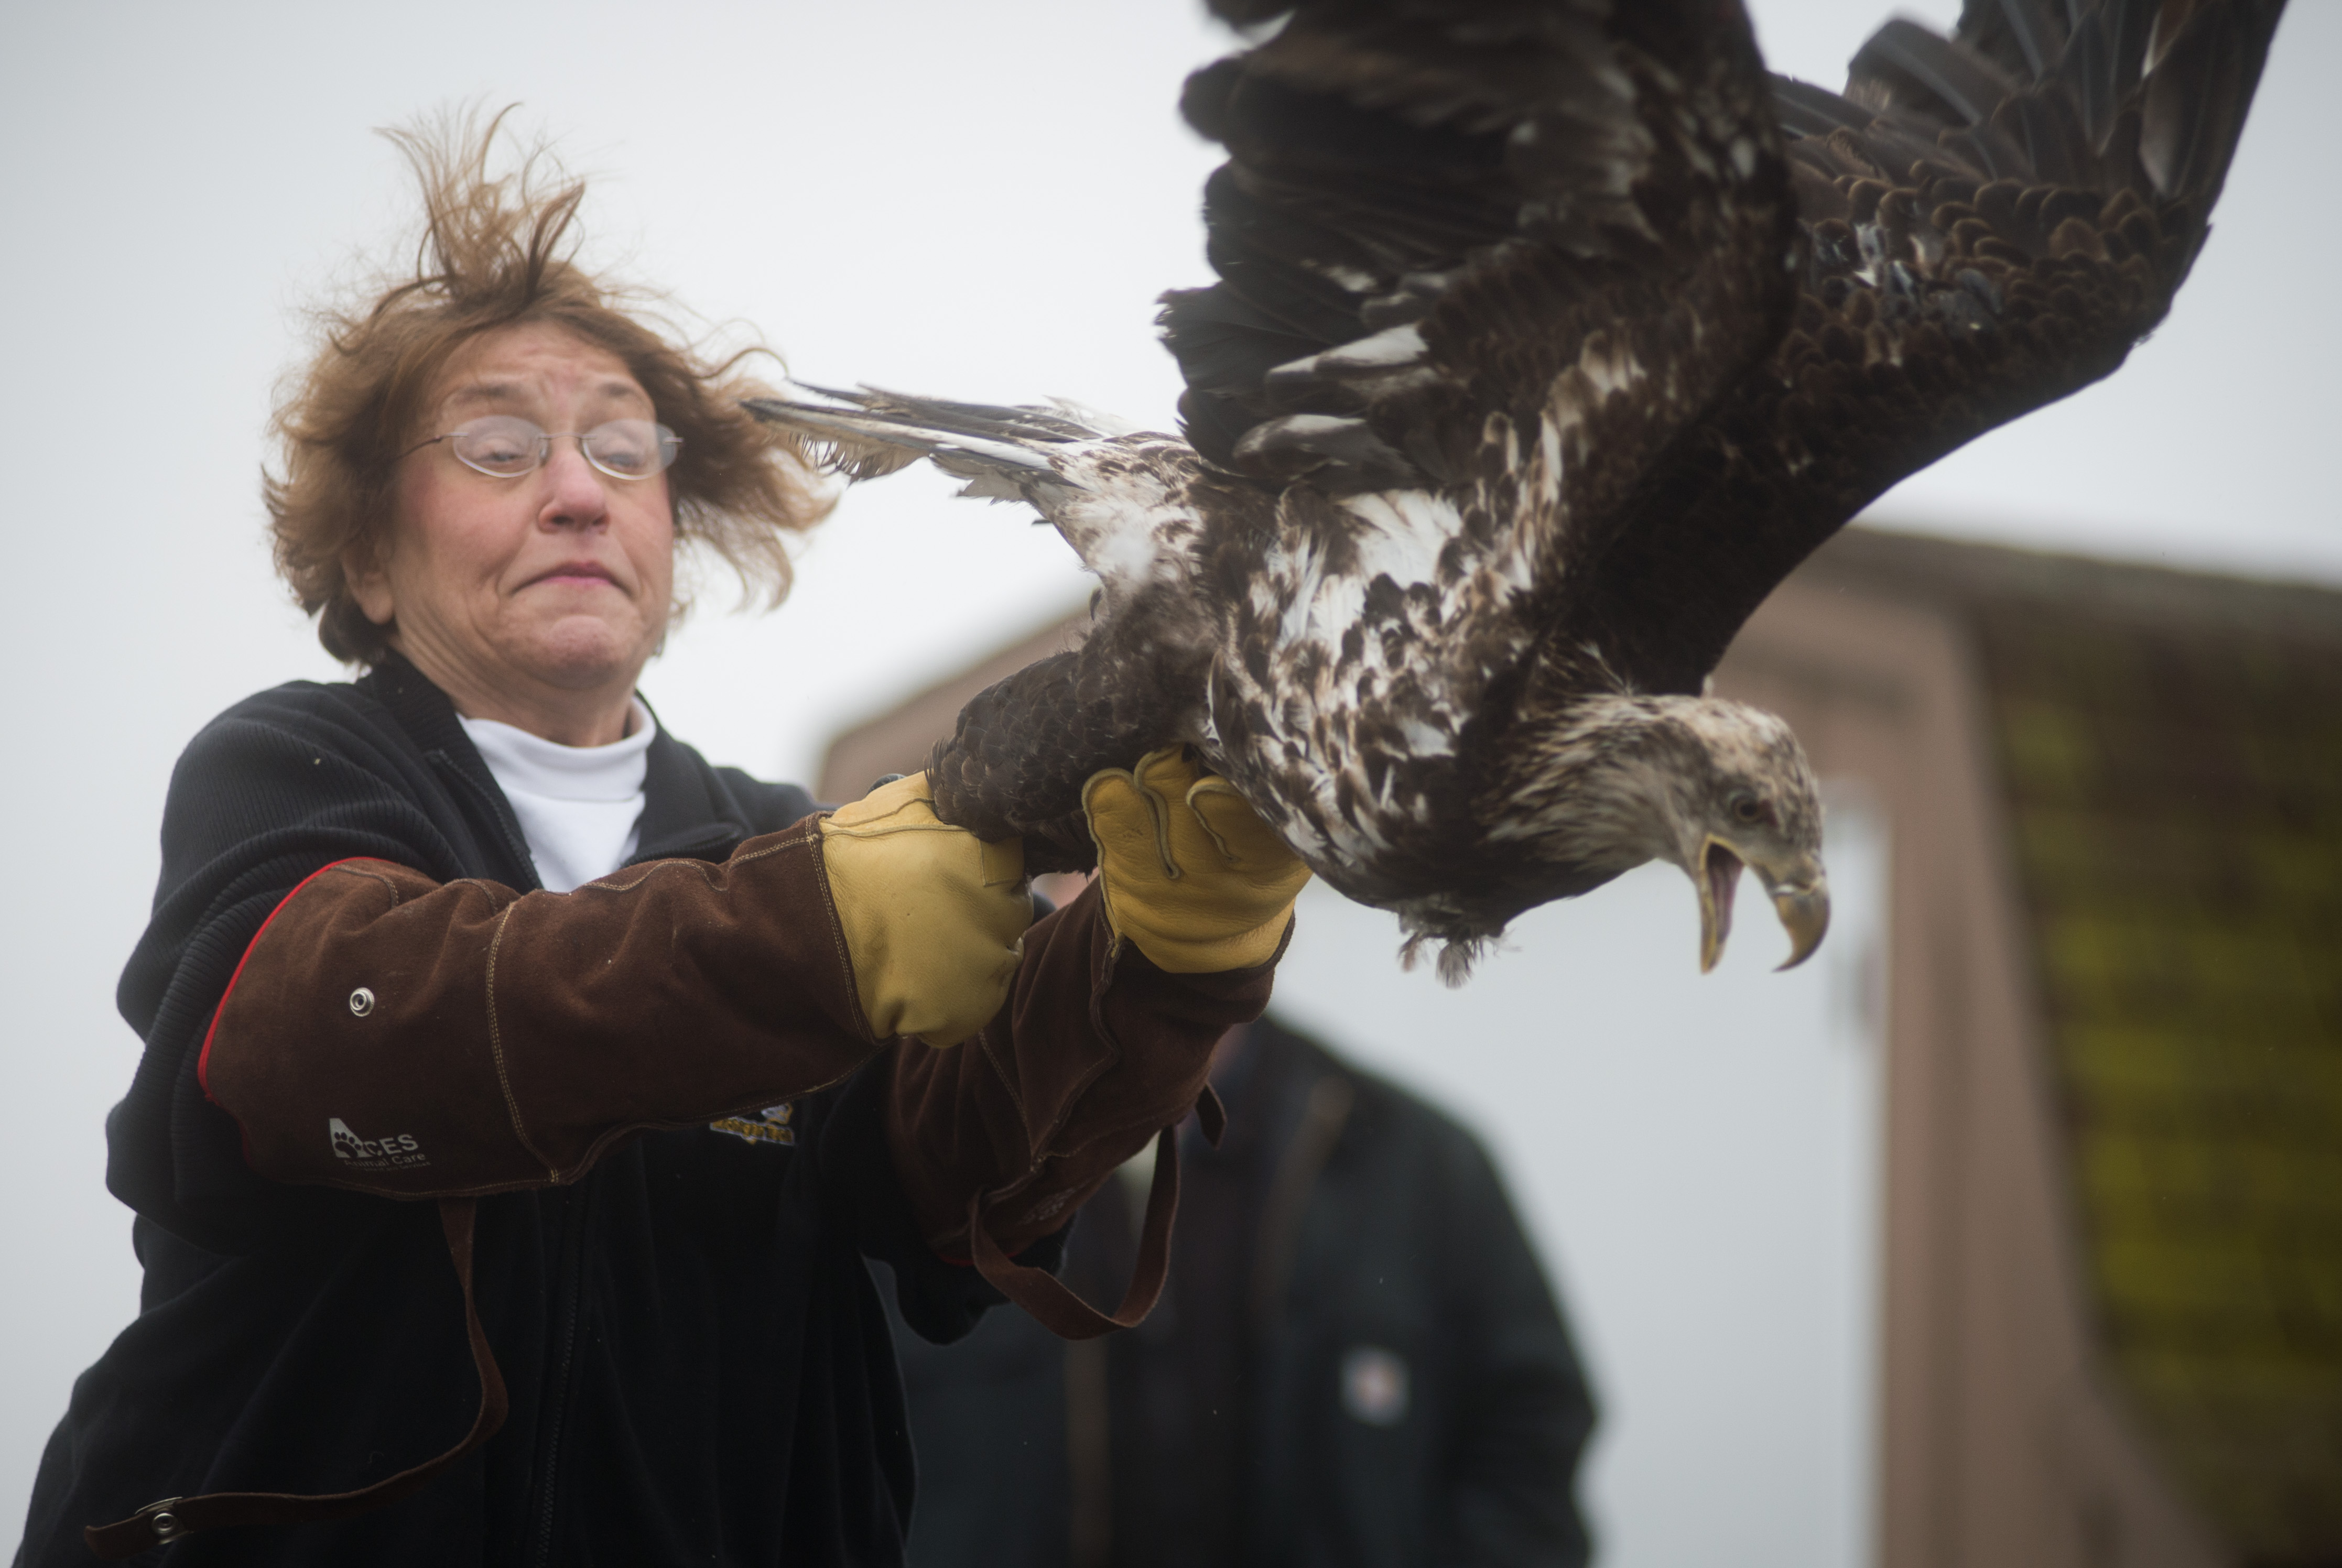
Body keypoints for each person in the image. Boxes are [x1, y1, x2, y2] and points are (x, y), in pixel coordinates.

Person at [15, 121, 1307, 1567]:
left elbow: (947, 1182)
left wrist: (1156, 975)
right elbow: (311, 1040)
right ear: (368, 561)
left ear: (672, 537)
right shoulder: (290, 770)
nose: (577, 490)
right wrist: (809, 936)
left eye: (623, 451)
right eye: (499, 445)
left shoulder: (778, 838)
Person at [891, 1013, 1597, 1568]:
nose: (1134, 885)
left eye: (1204, 842)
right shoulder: (910, 1165)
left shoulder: (1415, 1162)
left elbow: (1527, 1451)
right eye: (1088, 846)